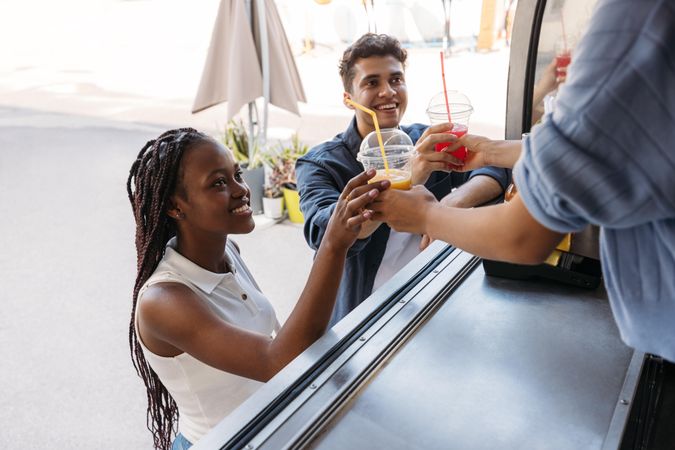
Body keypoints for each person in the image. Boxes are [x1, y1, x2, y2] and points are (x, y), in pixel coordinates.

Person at [370, 0, 675, 362]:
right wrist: (493, 150)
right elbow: (605, 145)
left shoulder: (635, 20)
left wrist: (428, 215)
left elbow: (523, 236)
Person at [127, 128, 389, 449]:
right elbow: (276, 362)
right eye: (219, 183)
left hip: (268, 429)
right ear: (174, 206)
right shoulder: (163, 301)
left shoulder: (228, 252)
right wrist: (333, 246)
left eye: (237, 174)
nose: (241, 189)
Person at [296, 33, 510, 324]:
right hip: (365, 318)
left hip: (435, 294)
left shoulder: (424, 139)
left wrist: (453, 202)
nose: (388, 92)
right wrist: (409, 176)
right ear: (349, 100)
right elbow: (325, 237)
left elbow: (495, 170)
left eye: (396, 80)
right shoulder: (320, 164)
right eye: (372, 83)